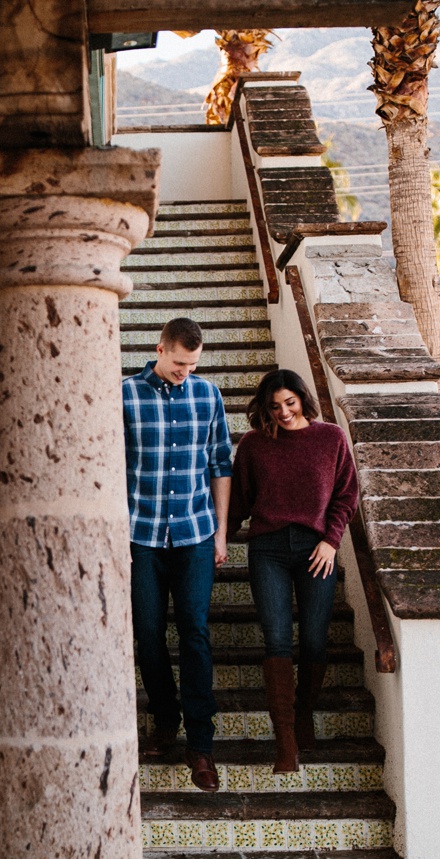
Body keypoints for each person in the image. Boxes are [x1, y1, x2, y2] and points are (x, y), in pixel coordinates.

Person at [227, 369, 359, 773]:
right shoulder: (254, 445)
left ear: (303, 398)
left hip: (315, 550)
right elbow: (239, 501)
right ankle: (285, 740)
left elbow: (346, 495)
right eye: (274, 406)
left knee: (315, 640)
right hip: (267, 550)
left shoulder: (331, 438)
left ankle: (303, 715)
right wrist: (218, 541)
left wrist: (331, 540)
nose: (283, 412)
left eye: (290, 403)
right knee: (278, 640)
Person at [123, 317, 232, 792]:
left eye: (193, 364)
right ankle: (165, 720)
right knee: (148, 636)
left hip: (195, 534)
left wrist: (221, 533)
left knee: (195, 633)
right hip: (140, 536)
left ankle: (201, 744)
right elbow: (108, 466)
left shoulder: (208, 396)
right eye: (179, 363)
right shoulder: (125, 396)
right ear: (160, 349)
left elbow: (221, 464)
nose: (185, 371)